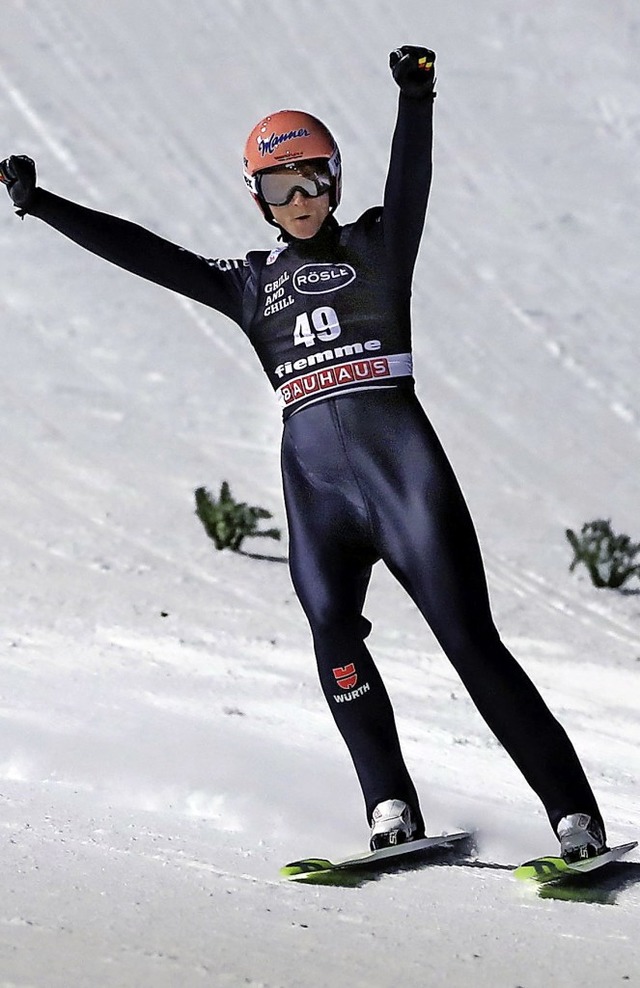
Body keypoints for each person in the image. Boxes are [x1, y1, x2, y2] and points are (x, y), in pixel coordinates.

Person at [1, 45, 607, 859]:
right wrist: (44, 205)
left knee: (468, 641)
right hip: (316, 487)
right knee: (331, 630)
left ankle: (573, 815)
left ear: (335, 180)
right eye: (280, 190)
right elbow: (150, 255)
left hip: (403, 474)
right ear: (258, 200)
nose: (299, 201)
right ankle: (390, 807)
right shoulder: (252, 284)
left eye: (312, 182)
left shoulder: (379, 246)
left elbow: (410, 184)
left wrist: (416, 98)